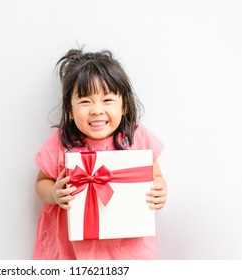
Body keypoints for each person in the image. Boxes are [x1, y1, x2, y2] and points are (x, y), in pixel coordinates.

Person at [33, 48, 167, 260]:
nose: (96, 110)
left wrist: (160, 191)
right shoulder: (62, 141)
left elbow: (156, 175)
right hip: (75, 249)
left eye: (107, 100)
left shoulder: (135, 136)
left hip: (127, 247)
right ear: (70, 109)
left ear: (124, 105)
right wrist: (53, 194)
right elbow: (41, 182)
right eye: (85, 102)